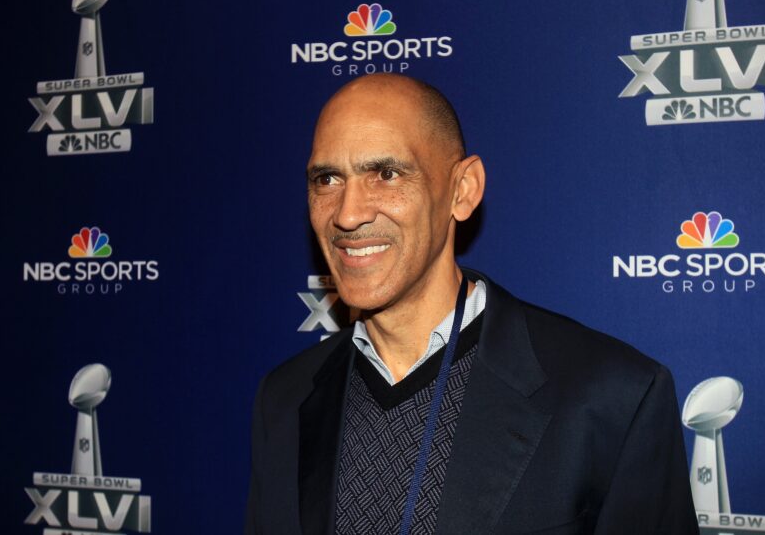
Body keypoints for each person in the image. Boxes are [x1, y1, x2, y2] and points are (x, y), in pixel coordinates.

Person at [245, 74, 698, 534]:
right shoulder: (285, 398)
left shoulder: (611, 396)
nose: (348, 212)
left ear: (462, 190)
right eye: (327, 179)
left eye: (386, 174)